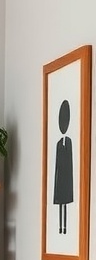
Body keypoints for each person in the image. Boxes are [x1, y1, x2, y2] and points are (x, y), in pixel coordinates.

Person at [53, 99, 73, 235]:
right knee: (61, 205)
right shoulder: (58, 143)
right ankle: (60, 228)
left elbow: (69, 164)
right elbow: (56, 165)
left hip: (66, 178)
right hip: (60, 179)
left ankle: (65, 228)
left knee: (64, 205)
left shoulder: (69, 142)